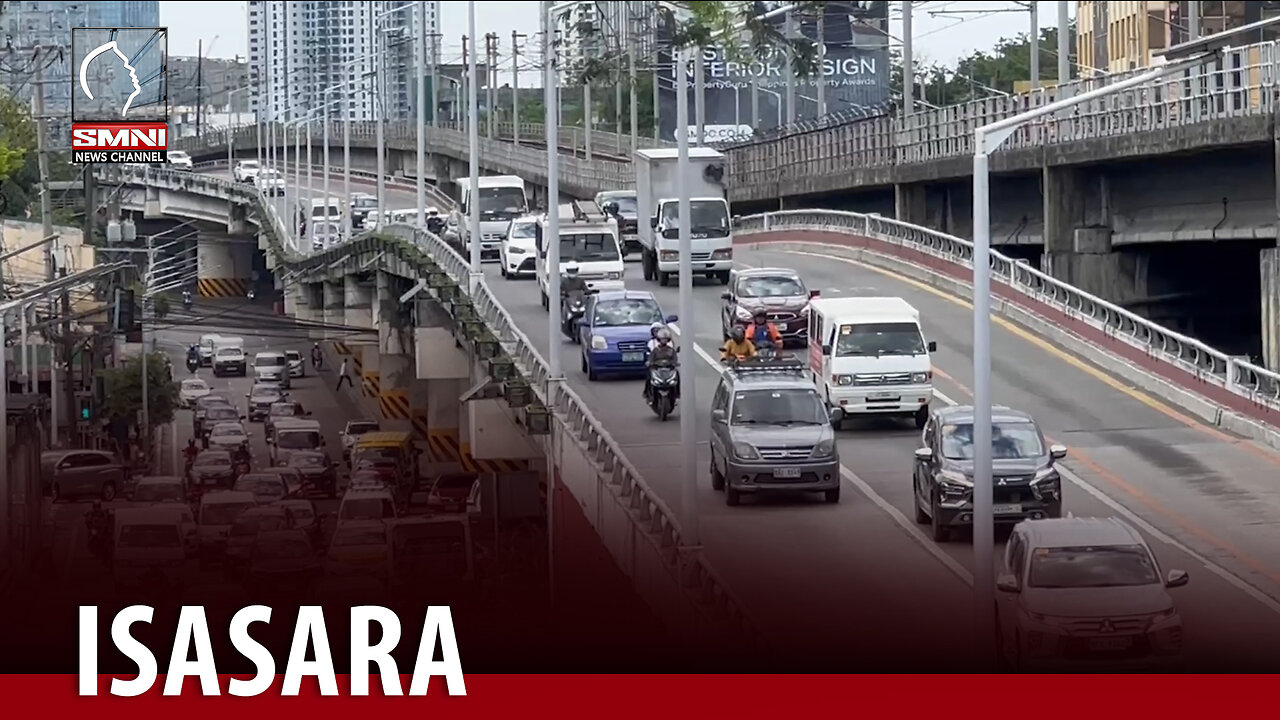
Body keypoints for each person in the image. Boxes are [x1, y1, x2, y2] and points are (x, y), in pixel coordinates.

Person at [644, 326, 679, 400]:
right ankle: (647, 393)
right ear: (659, 339)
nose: (664, 341)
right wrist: (649, 363)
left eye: (665, 339)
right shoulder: (655, 350)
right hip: (657, 368)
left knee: (677, 375)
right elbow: (651, 358)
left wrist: (675, 363)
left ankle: (677, 393)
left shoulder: (671, 350)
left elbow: (675, 358)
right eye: (663, 339)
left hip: (668, 368)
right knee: (649, 376)